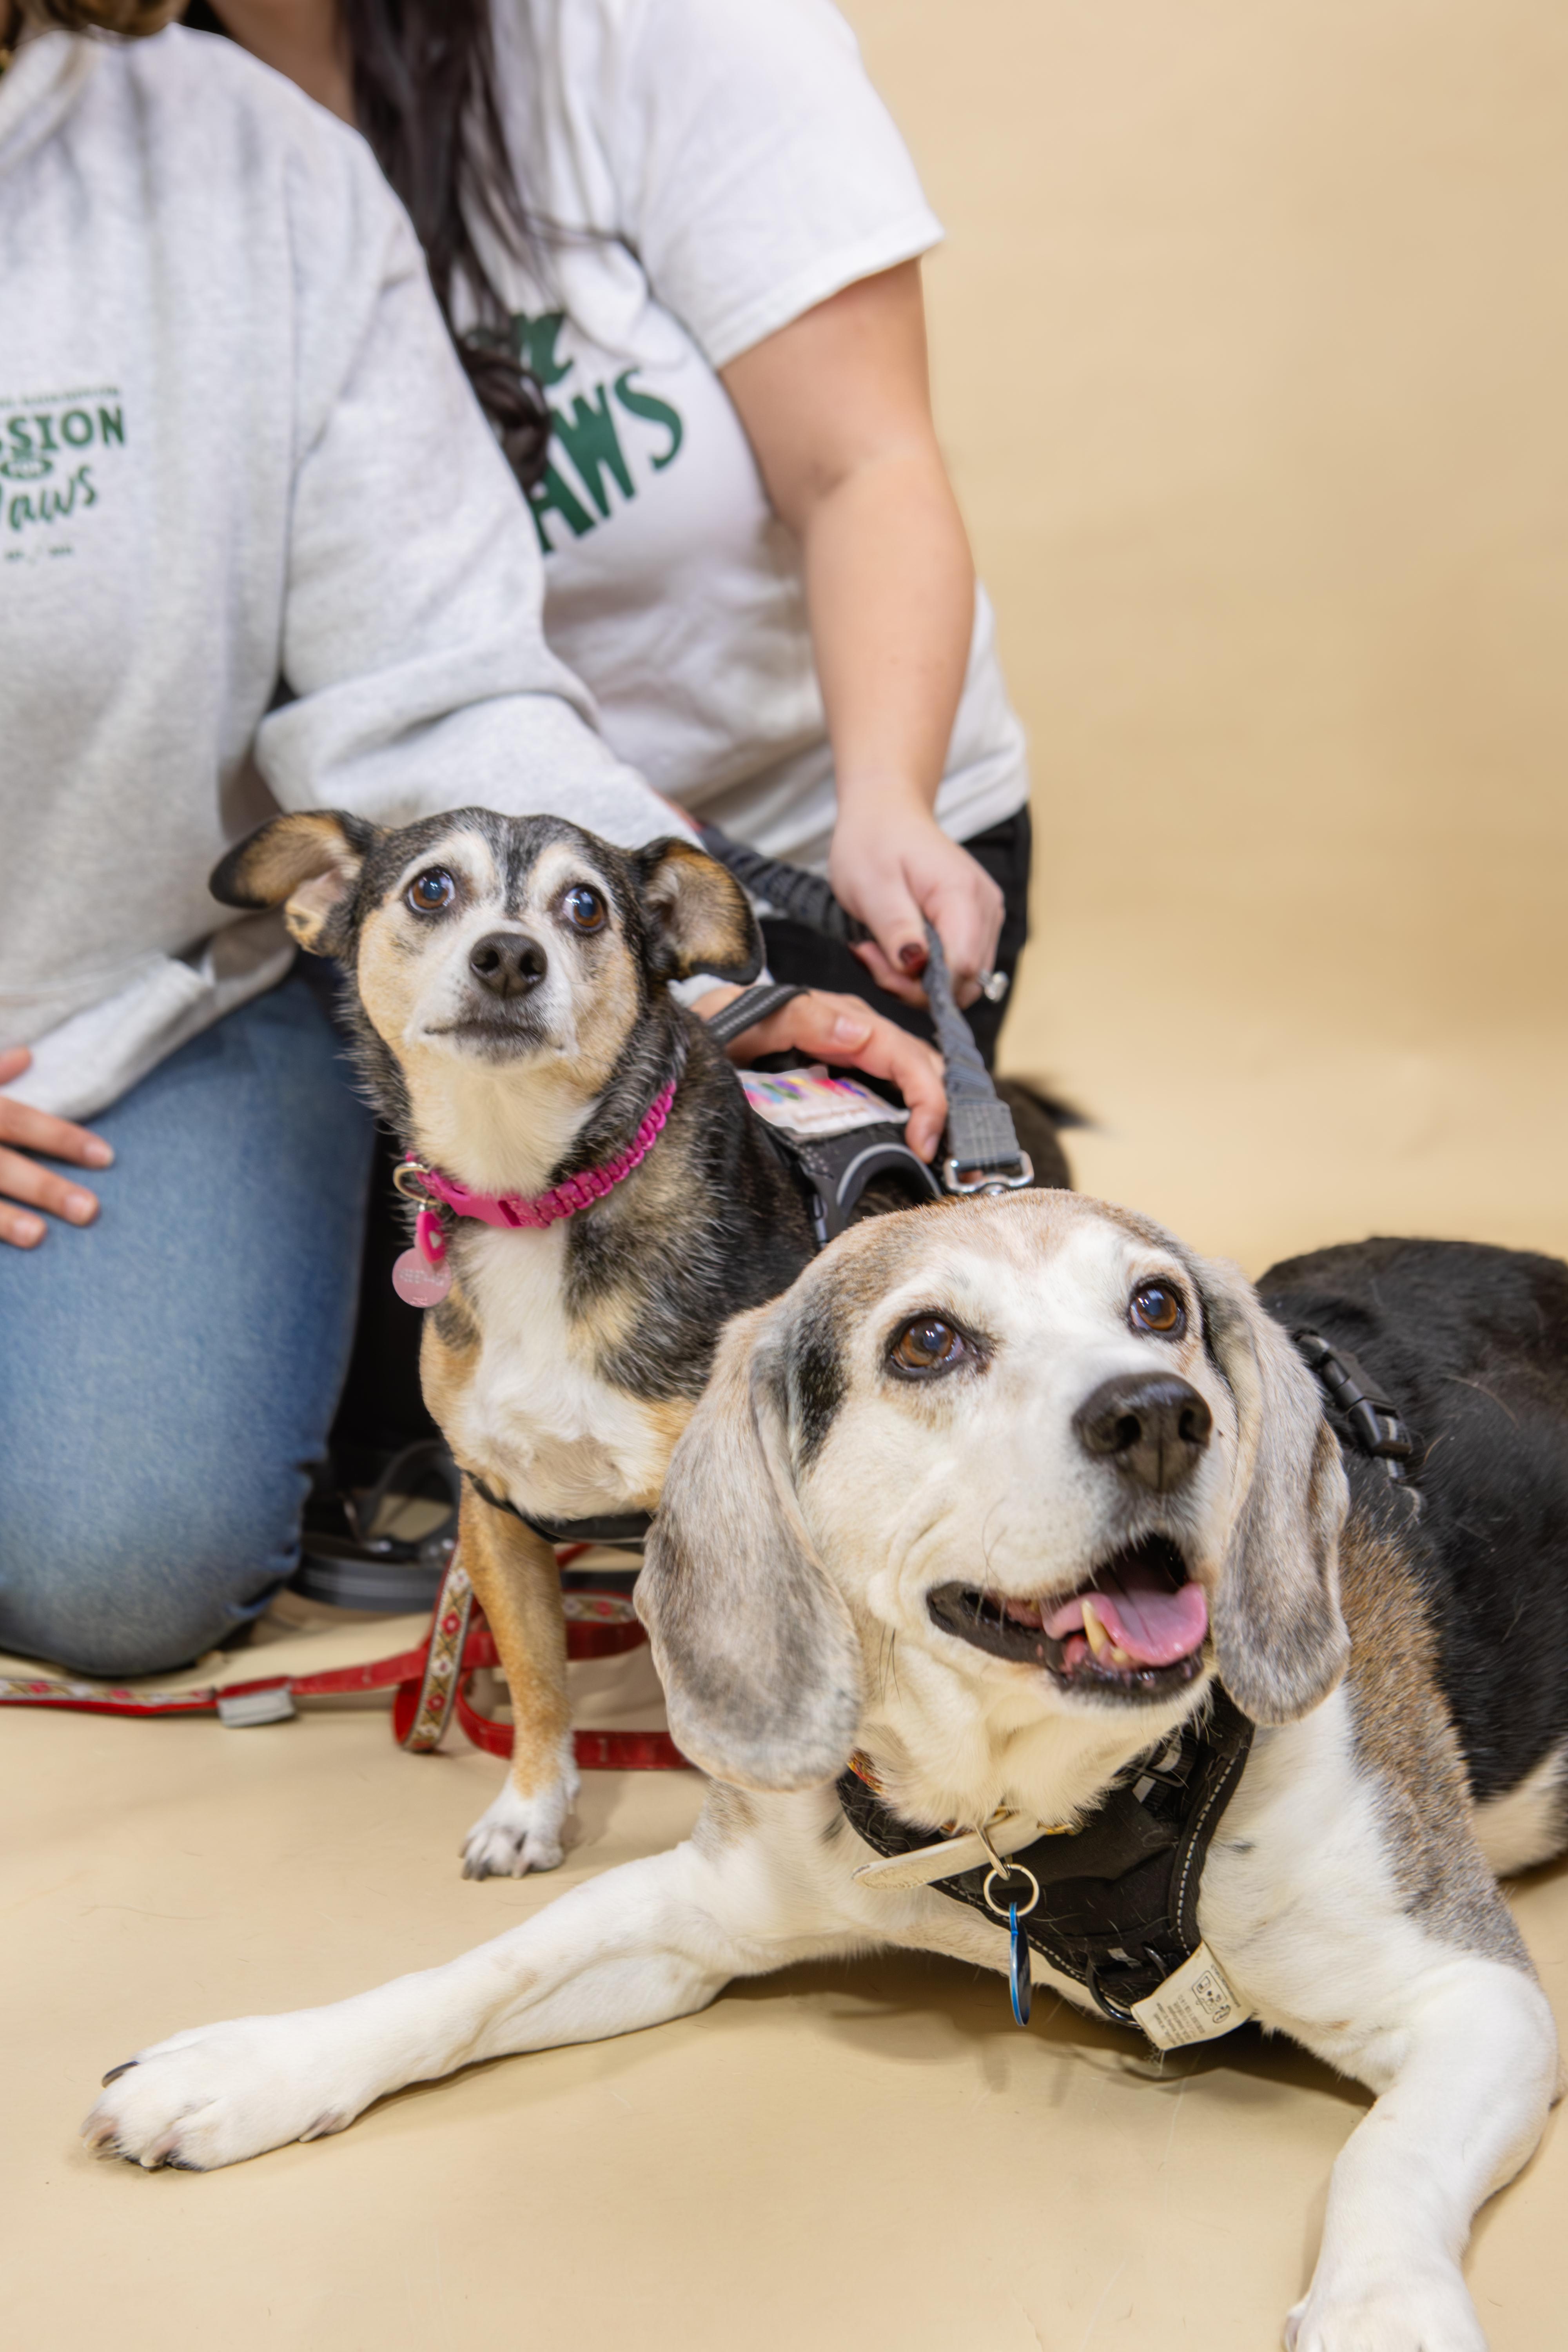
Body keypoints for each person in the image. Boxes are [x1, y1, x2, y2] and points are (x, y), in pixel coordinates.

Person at [0, 1, 944, 1675]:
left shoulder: (253, 159)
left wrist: (696, 987)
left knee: (122, 1565)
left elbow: (425, 683)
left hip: (125, 1000)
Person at [192, 0, 1033, 1058]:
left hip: (798, 852)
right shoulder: (140, 122)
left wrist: (889, 797)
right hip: (428, 891)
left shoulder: (659, 30)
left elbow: (862, 467)